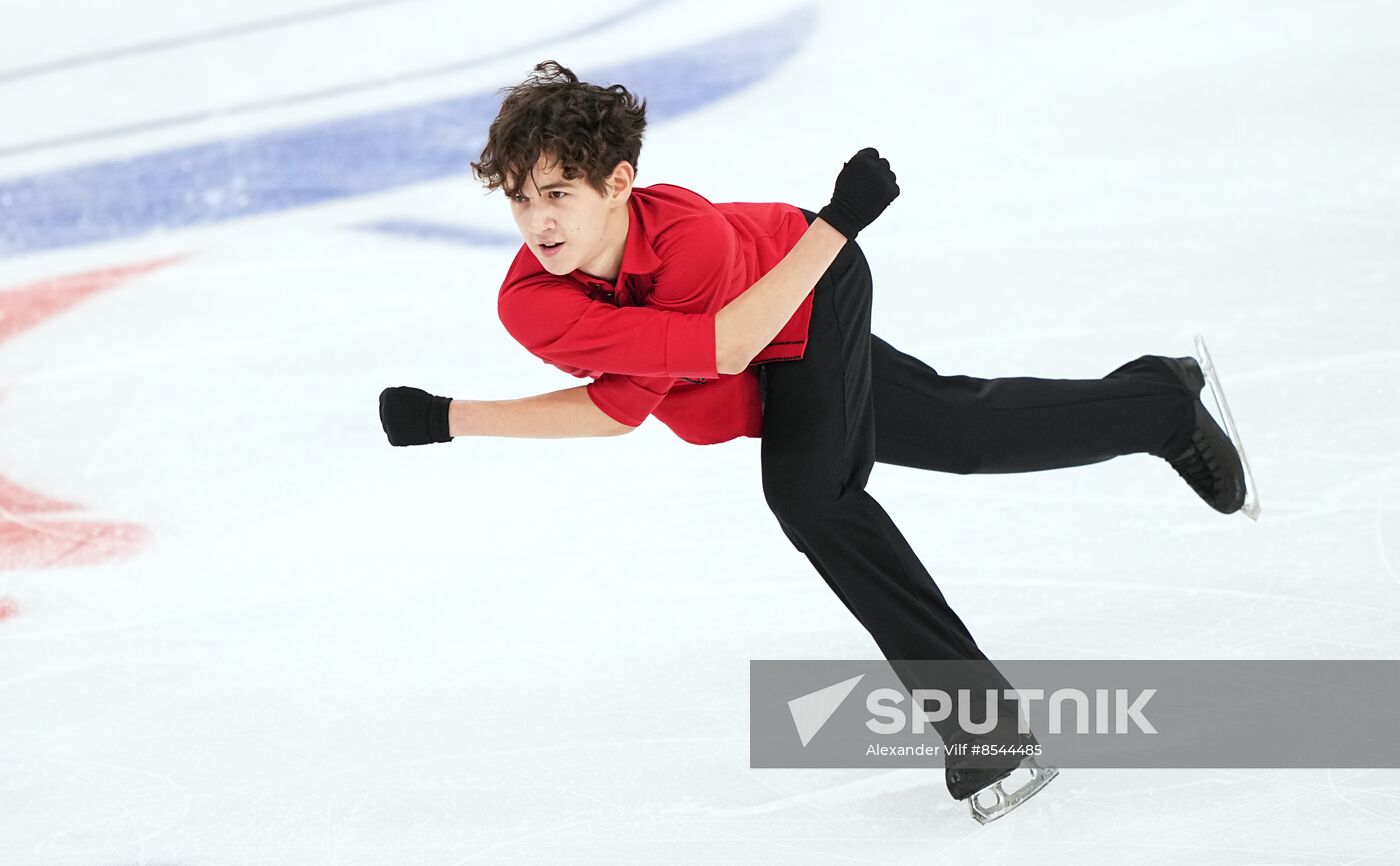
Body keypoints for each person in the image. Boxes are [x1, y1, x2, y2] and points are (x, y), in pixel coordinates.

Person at [377, 60, 1251, 823]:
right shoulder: (533, 297)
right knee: (962, 430)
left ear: (618, 182)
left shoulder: (690, 237)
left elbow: (729, 342)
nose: (538, 222)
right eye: (521, 200)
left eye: (557, 193)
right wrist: (452, 417)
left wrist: (836, 227)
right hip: (754, 351)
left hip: (806, 287)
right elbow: (618, 410)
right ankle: (1158, 403)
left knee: (810, 496)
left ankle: (986, 731)